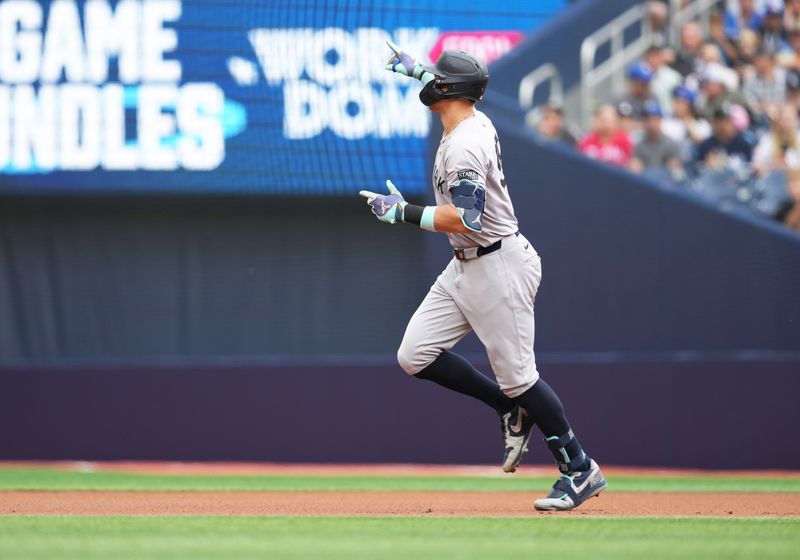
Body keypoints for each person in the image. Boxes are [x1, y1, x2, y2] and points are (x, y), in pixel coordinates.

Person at [360, 41, 607, 512]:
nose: (428, 79)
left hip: (497, 263)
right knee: (414, 354)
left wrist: (403, 214)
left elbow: (469, 218)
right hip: (467, 264)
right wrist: (415, 70)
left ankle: (579, 468)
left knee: (520, 378)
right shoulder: (466, 118)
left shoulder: (466, 143)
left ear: (451, 89)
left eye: (436, 77)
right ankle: (507, 407)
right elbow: (448, 84)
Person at [695, 102, 755, 168]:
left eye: (728, 121)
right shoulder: (706, 145)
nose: (725, 125)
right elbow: (697, 170)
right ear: (715, 123)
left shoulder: (743, 145)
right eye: (721, 122)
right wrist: (708, 165)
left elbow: (749, 169)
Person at [629, 100, 682, 174]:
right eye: (648, 119)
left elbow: (675, 169)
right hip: (645, 181)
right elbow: (634, 166)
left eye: (655, 119)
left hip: (664, 182)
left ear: (660, 120)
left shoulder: (670, 143)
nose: (652, 123)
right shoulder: (640, 144)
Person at [753, 103, 800, 173]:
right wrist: (771, 165)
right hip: (773, 179)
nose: (787, 123)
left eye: (790, 119)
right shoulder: (768, 139)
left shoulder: (798, 138)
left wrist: (788, 164)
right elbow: (757, 163)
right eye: (784, 119)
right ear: (778, 120)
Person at [743, 48, 788, 118]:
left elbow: (793, 98)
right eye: (756, 61)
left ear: (770, 61)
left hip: (784, 113)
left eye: (760, 60)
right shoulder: (751, 80)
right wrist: (764, 107)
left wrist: (779, 108)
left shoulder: (783, 75)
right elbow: (750, 103)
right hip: (762, 117)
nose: (757, 63)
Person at [644, 46, 683, 113]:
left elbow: (680, 99)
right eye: (650, 58)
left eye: (655, 57)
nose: (653, 61)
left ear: (661, 58)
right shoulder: (642, 77)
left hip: (669, 115)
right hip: (649, 117)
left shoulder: (673, 76)